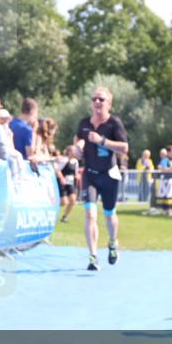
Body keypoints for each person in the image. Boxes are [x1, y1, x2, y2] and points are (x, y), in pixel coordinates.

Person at [74, 86, 129, 270]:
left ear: (109, 103)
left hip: (109, 175)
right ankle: (93, 256)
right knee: (90, 214)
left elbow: (124, 148)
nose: (97, 102)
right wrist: (77, 149)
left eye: (101, 99)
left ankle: (112, 243)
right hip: (90, 174)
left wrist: (102, 141)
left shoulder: (114, 123)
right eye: (94, 99)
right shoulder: (84, 123)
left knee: (109, 215)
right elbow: (77, 142)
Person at [56, 145, 81, 223]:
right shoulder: (65, 160)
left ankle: (64, 217)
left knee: (73, 200)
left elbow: (75, 172)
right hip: (62, 182)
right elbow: (57, 170)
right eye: (74, 151)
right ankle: (51, 210)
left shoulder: (76, 162)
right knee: (63, 202)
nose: (75, 153)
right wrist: (62, 178)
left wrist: (77, 176)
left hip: (70, 183)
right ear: (69, 152)